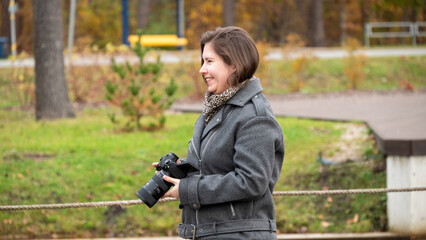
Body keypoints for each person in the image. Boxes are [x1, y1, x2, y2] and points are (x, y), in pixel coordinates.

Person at [160, 26, 285, 239]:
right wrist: (180, 171)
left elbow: (251, 181)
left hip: (239, 234)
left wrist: (188, 190)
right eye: (202, 61)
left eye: (209, 61)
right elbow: (216, 166)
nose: (202, 69)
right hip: (210, 233)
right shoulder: (217, 108)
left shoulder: (255, 116)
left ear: (234, 64)